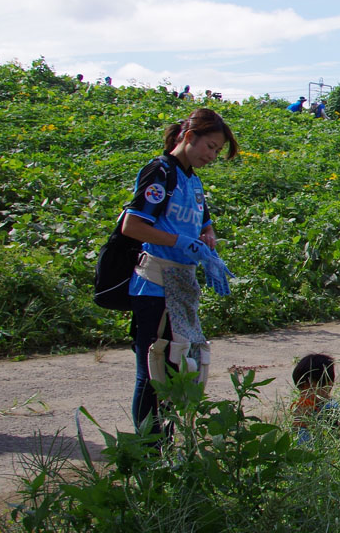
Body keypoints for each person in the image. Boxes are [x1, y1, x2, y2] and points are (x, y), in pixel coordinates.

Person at [121, 108, 238, 436]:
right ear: (189, 137)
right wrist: (180, 242)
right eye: (211, 147)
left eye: (217, 150)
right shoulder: (160, 172)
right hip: (155, 287)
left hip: (181, 286)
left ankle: (167, 445)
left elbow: (202, 218)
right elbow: (133, 225)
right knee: (153, 370)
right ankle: (149, 451)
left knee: (178, 367)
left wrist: (207, 236)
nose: (212, 155)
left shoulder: (192, 180)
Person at [291, 353, 340, 444]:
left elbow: (331, 436)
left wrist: (305, 422)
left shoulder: (330, 408)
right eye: (301, 389)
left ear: (329, 385)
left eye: (309, 388)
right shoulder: (310, 406)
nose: (304, 394)